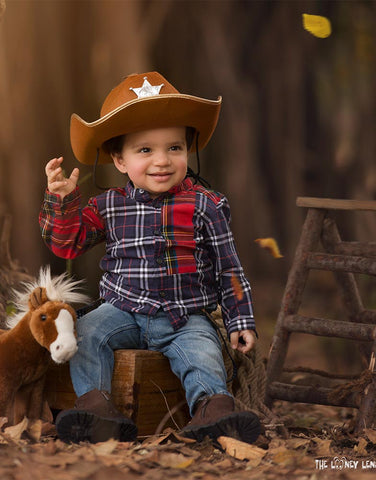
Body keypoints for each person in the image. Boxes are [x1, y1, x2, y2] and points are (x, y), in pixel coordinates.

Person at [40, 72, 261, 444]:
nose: (162, 161)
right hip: (121, 310)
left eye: (174, 148)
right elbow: (68, 244)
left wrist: (241, 320)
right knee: (85, 334)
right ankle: (96, 407)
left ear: (187, 151)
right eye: (145, 150)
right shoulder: (108, 205)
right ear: (119, 160)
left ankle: (213, 410)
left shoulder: (205, 206)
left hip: (183, 316)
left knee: (203, 352)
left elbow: (230, 269)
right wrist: (61, 200)